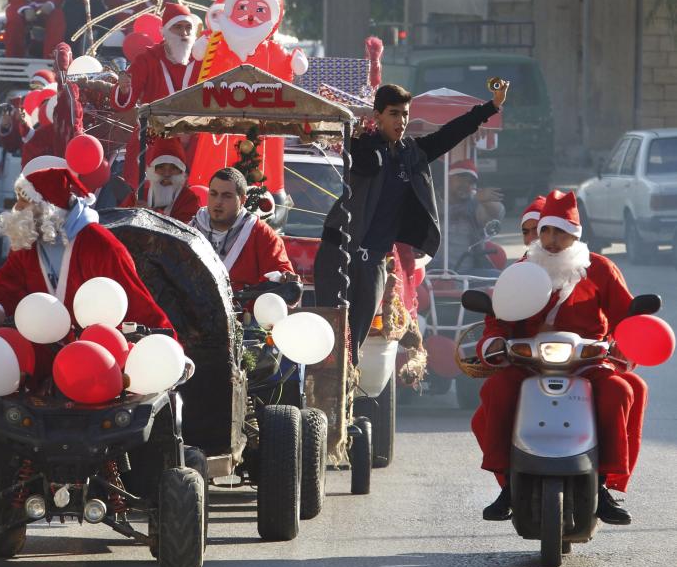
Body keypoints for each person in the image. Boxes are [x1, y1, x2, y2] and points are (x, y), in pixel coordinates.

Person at [472, 190, 646, 525]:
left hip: (588, 362)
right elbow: (500, 317)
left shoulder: (601, 269)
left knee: (620, 392)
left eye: (560, 233)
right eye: (546, 232)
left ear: (575, 235)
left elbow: (627, 318)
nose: (551, 240)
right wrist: (494, 341)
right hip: (528, 361)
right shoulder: (523, 267)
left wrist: (626, 343)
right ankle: (508, 484)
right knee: (495, 392)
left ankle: (605, 486)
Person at [313, 81, 505, 365]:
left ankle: (344, 404)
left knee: (354, 345)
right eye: (394, 113)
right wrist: (364, 136)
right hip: (338, 253)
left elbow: (450, 134)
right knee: (330, 341)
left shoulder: (411, 154)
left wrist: (491, 107)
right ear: (377, 116)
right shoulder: (362, 146)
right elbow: (360, 158)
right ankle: (321, 400)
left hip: (374, 260)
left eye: (405, 114)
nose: (401, 121)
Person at [0, 166, 174, 342]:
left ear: (48, 208)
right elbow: (6, 282)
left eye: (25, 202)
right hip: (40, 352)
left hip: (94, 352)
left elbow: (133, 300)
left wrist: (162, 344)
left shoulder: (99, 246)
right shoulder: (28, 241)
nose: (17, 208)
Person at [112, 3, 201, 187]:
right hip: (154, 132)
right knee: (142, 146)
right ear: (166, 32)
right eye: (178, 27)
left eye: (188, 27)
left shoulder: (202, 59)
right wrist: (124, 89)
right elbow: (125, 99)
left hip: (191, 135)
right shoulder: (148, 59)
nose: (184, 33)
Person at [190, 167, 297, 295]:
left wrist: (285, 278)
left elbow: (282, 274)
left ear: (242, 200)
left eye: (226, 196)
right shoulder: (190, 230)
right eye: (213, 194)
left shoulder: (261, 234)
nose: (218, 202)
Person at [440, 159, 505, 271]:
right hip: (432, 272)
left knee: (497, 278)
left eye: (470, 182)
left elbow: (497, 213)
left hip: (467, 274)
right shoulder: (432, 200)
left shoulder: (474, 205)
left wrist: (486, 200)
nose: (466, 184)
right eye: (461, 179)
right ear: (448, 179)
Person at [121, 137, 199, 223]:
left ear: (181, 172)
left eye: (173, 168)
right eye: (161, 167)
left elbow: (187, 229)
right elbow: (118, 220)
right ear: (153, 171)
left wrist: (152, 214)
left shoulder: (189, 199)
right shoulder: (138, 196)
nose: (166, 174)